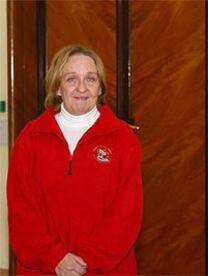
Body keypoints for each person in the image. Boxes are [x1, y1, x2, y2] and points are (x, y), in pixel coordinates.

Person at [7, 45, 143, 275]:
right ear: (58, 87)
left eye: (91, 78)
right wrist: (55, 258)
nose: (82, 87)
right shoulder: (31, 137)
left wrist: (86, 260)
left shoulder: (122, 138)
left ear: (100, 87)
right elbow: (21, 210)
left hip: (106, 269)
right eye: (71, 79)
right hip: (42, 269)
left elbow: (127, 214)